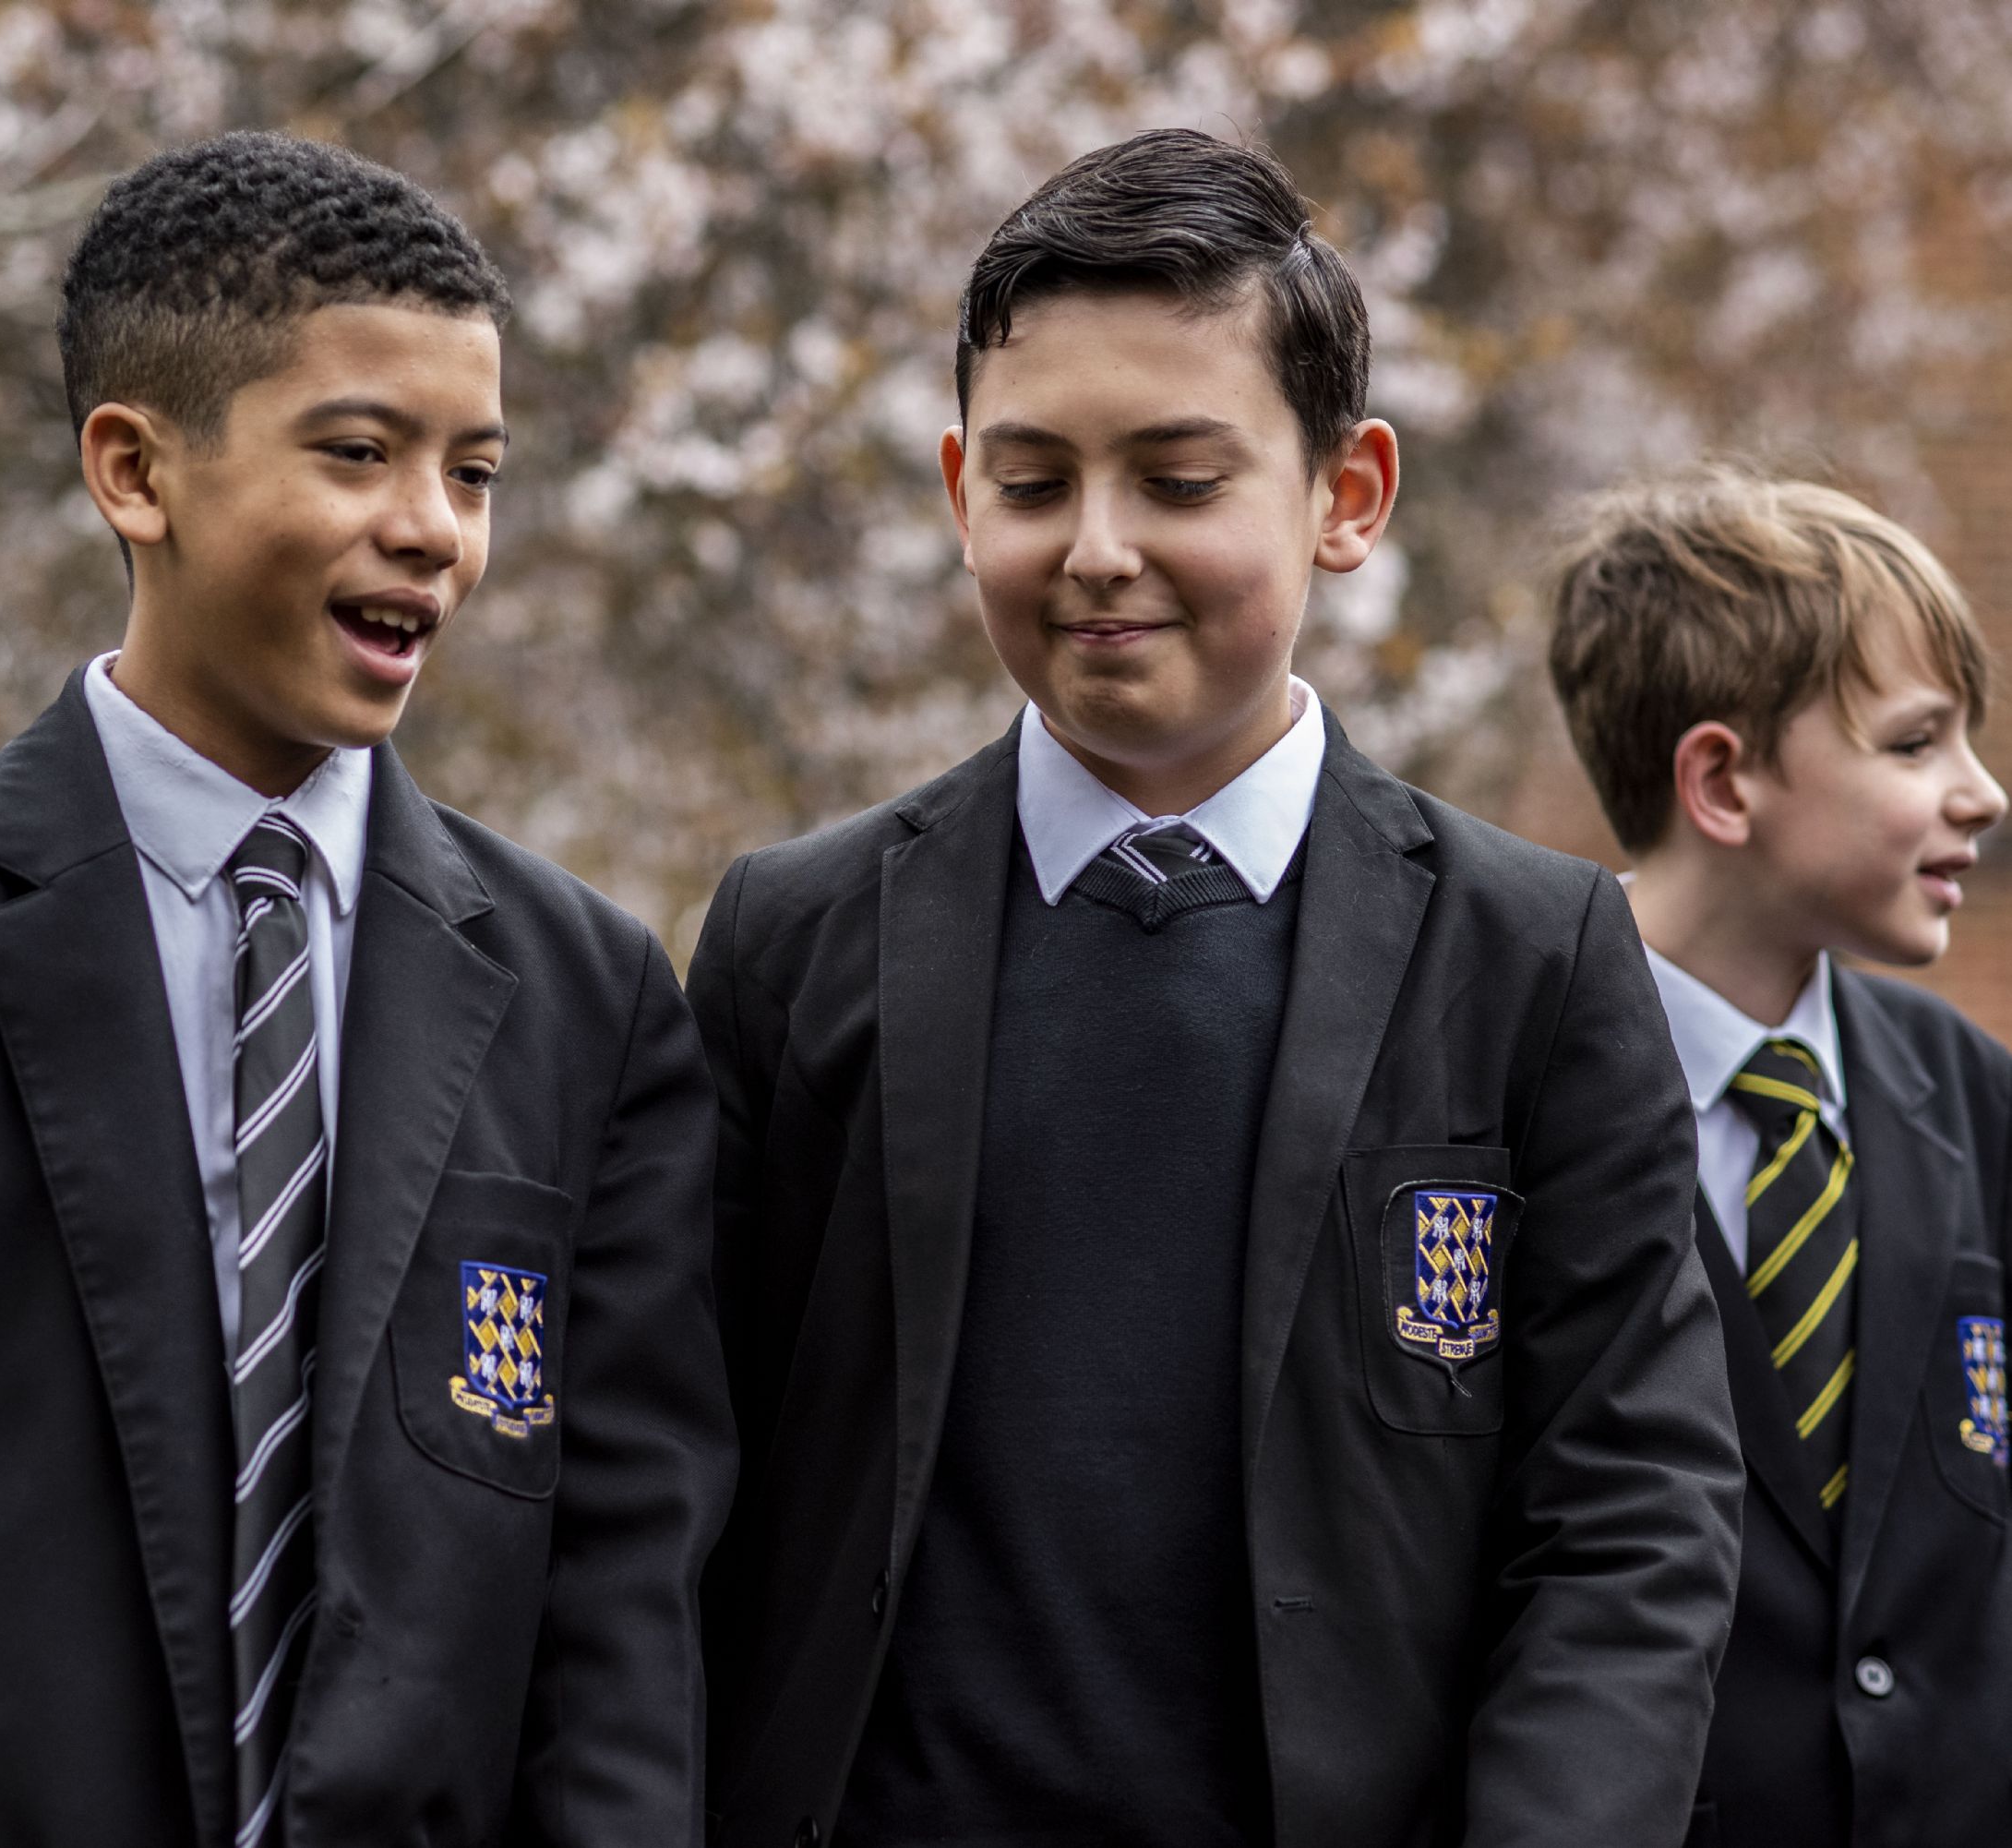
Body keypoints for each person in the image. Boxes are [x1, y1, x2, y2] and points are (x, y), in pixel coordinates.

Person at [0, 131, 733, 1847]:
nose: (433, 531)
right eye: (359, 451)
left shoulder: (584, 992)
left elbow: (620, 1614)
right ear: (135, 469)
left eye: (474, 472)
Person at [688, 128, 1744, 1848]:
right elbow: (678, 1487)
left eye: (1181, 481)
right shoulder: (793, 942)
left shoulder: (1532, 957)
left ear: (1348, 497)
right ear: (961, 487)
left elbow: (1626, 1512)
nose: (1098, 549)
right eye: (1033, 485)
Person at [1548, 466, 2012, 1848]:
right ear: (1723, 778)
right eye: (1918, 742)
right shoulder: (1505, 1091)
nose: (1981, 792)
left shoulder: (1971, 1094)